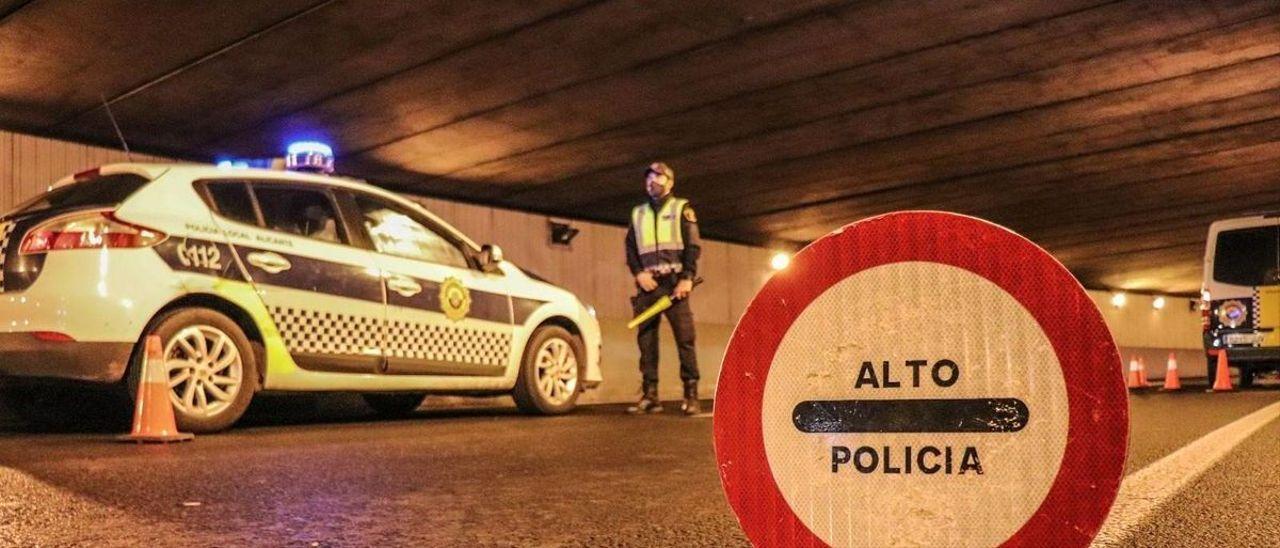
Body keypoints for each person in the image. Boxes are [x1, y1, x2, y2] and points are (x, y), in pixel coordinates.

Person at [625, 162, 702, 415]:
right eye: (648, 177)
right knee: (646, 341)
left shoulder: (682, 209)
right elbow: (631, 248)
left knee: (685, 339)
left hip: (674, 283)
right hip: (648, 285)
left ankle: (691, 394)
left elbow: (692, 245)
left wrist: (687, 277)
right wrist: (639, 273)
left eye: (658, 177)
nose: (652, 181)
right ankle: (650, 394)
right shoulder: (638, 214)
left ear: (670, 182)